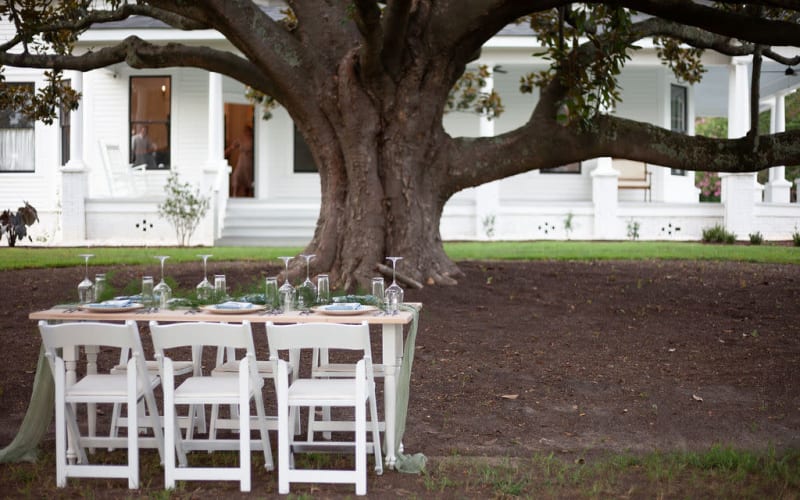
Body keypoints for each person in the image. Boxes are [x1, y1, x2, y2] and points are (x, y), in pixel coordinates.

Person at [225, 124, 254, 197]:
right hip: (241, 161)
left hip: (249, 161)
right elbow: (232, 147)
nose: (246, 132)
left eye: (248, 131)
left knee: (248, 178)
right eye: (245, 131)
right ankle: (234, 194)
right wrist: (224, 152)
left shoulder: (254, 140)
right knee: (236, 175)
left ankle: (248, 196)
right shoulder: (241, 139)